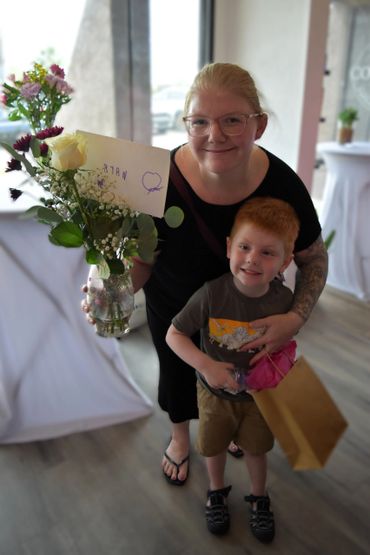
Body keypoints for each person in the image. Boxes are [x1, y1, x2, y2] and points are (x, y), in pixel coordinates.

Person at [82, 62, 327, 489]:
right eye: (200, 122)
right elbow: (143, 261)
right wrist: (112, 295)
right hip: (174, 307)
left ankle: (231, 425)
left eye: (233, 120)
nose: (215, 135)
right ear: (186, 124)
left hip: (246, 318)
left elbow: (314, 258)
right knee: (177, 380)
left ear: (260, 125)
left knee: (240, 381)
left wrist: (295, 318)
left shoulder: (283, 184)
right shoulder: (156, 179)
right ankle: (180, 439)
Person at [165, 197, 299, 541]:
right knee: (212, 448)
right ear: (229, 248)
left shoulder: (284, 303)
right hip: (213, 396)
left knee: (257, 450)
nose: (253, 258)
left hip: (259, 400)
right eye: (245, 247)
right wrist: (206, 365)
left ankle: (259, 496)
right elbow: (174, 334)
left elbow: (287, 343)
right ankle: (216, 491)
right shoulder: (211, 295)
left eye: (268, 253)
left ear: (286, 261)